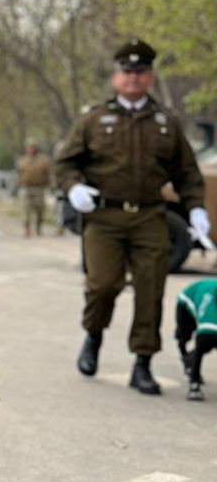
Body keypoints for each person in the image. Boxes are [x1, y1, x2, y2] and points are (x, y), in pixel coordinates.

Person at [55, 38, 209, 394]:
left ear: (150, 77)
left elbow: (186, 172)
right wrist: (74, 187)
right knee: (104, 284)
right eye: (127, 72)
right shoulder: (93, 120)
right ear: (116, 77)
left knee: (150, 288)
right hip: (104, 218)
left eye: (141, 72)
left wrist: (196, 207)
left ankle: (143, 363)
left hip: (149, 217)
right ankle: (93, 335)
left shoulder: (166, 123)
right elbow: (66, 164)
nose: (134, 78)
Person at [15, 139, 51, 237]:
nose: (30, 149)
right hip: (26, 188)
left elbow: (49, 173)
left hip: (39, 188)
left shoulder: (44, 160)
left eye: (32, 147)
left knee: (40, 209)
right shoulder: (22, 160)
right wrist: (16, 186)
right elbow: (18, 174)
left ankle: (39, 228)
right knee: (26, 209)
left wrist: (51, 185)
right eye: (28, 147)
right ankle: (27, 229)